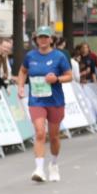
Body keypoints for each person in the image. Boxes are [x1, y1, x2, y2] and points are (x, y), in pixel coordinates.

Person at [18, 26, 73, 183]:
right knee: (40, 132)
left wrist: (56, 79)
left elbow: (69, 76)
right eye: (40, 37)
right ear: (36, 39)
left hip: (55, 100)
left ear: (51, 39)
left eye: (45, 37)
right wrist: (21, 87)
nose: (42, 40)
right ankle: (39, 169)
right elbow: (23, 71)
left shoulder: (59, 56)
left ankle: (54, 165)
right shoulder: (30, 56)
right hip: (36, 100)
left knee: (54, 136)